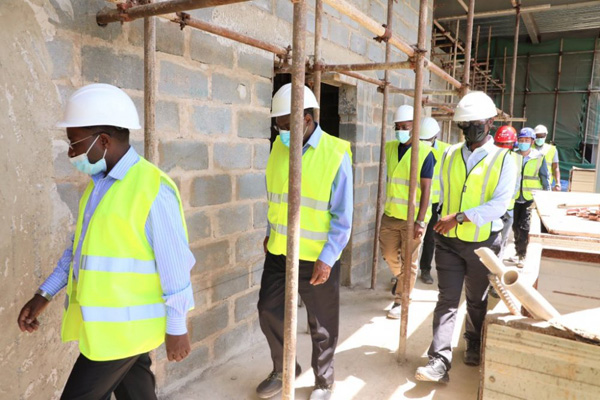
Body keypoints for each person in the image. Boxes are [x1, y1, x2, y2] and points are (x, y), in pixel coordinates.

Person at [17, 84, 195, 399]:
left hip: (121, 335)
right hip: (111, 332)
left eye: (74, 143)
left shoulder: (152, 188)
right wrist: (44, 293)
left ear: (103, 141)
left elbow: (175, 265)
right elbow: (78, 251)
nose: (70, 153)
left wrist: (177, 327)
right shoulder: (97, 187)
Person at [256, 83, 353, 400]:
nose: (281, 133)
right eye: (279, 126)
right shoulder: (279, 147)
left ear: (308, 119)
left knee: (321, 324)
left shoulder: (335, 153)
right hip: (279, 250)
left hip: (316, 256)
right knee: (268, 309)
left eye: (287, 126)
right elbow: (277, 196)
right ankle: (284, 368)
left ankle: (324, 381)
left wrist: (329, 256)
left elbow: (342, 215)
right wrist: (271, 229)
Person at [415, 91, 516, 383]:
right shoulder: (449, 154)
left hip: (482, 244)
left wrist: (458, 217)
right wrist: (430, 219)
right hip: (447, 242)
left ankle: (473, 341)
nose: (471, 130)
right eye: (465, 125)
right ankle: (438, 361)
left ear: (491, 122)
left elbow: (499, 205)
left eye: (476, 124)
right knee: (446, 300)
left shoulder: (504, 159)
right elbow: (440, 191)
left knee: (476, 299)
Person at [379, 106, 435, 319]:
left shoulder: (425, 153)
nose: (400, 131)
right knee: (388, 254)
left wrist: (421, 221)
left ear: (415, 127)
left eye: (405, 127)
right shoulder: (390, 148)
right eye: (397, 127)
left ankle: (401, 301)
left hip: (412, 218)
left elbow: (426, 189)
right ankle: (402, 279)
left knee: (409, 262)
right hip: (391, 214)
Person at [511, 127, 551, 267]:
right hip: (514, 197)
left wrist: (546, 195)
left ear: (532, 142)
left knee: (524, 226)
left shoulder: (539, 157)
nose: (523, 142)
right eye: (521, 140)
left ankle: (522, 255)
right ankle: (518, 251)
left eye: (526, 140)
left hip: (530, 198)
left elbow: (544, 177)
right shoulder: (512, 156)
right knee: (515, 226)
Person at [419, 117, 450, 285]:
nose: (424, 142)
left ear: (435, 137)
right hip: (416, 199)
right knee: (408, 236)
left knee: (430, 237)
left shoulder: (446, 151)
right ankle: (402, 272)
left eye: (428, 139)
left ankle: (425, 269)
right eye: (421, 139)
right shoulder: (413, 147)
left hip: (435, 202)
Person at [494, 125, 521, 260]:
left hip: (505, 208)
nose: (503, 147)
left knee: (501, 240)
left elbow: (516, 183)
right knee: (494, 240)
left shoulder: (516, 159)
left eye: (506, 144)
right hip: (495, 207)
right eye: (501, 144)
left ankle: (496, 265)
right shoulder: (489, 157)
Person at [533, 124, 561, 191]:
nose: (539, 139)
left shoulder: (552, 149)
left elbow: (555, 167)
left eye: (542, 136)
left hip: (546, 184)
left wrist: (557, 183)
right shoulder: (529, 148)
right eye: (537, 136)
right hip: (530, 184)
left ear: (545, 136)